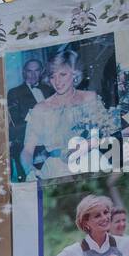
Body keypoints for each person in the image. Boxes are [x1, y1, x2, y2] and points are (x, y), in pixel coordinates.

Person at [20, 49, 114, 178]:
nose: (57, 81)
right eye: (53, 76)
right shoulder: (40, 109)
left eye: (63, 74)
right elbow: (27, 151)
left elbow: (106, 134)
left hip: (91, 162)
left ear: (74, 74)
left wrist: (87, 145)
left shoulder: (89, 98)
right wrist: (29, 171)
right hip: (57, 169)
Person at [7, 58, 53, 179]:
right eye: (29, 71)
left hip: (53, 145)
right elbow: (15, 124)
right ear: (24, 72)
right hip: (27, 147)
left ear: (42, 71)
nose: (33, 75)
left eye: (36, 71)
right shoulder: (14, 93)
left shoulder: (50, 89)